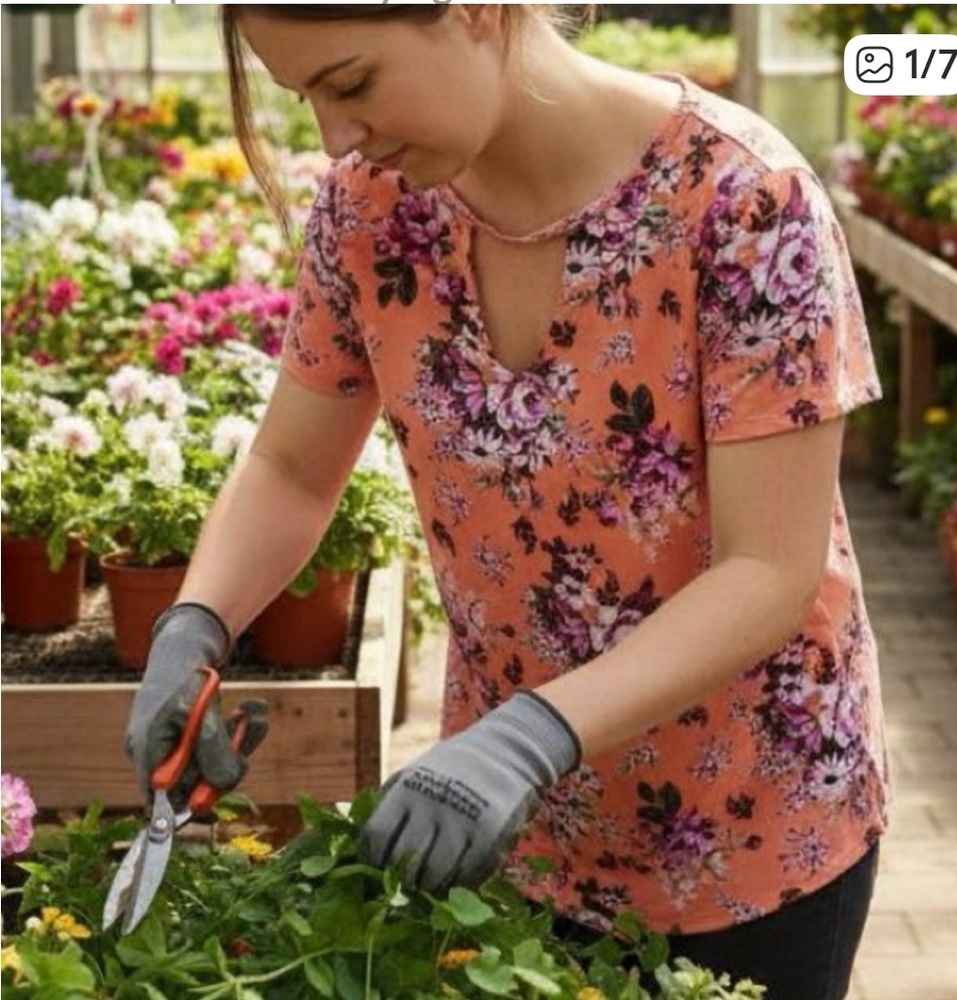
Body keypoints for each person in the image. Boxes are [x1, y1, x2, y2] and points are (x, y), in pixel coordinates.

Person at [124, 6, 889, 999]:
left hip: (749, 822)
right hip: (504, 825)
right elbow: (291, 465)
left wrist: (528, 737)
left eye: (350, 84)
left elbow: (766, 570)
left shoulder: (743, 200)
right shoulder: (371, 209)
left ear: (479, 9)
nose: (332, 135)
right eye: (302, 96)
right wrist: (195, 623)